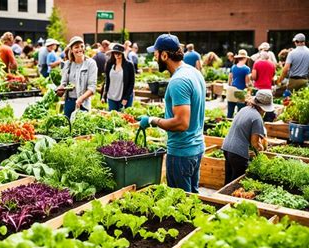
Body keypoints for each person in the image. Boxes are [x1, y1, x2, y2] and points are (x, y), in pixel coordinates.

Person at [139, 34, 206, 193]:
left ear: (164, 55)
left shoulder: (178, 81)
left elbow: (181, 123)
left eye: (155, 54)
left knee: (179, 205)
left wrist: (152, 120)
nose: (154, 58)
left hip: (182, 153)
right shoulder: (193, 72)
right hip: (196, 148)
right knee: (192, 201)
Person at [221, 90, 274, 184]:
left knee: (228, 181)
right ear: (263, 108)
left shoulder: (244, 109)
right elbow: (255, 142)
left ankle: (220, 198)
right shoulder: (257, 118)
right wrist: (262, 150)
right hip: (238, 152)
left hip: (227, 147)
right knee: (236, 184)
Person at [57, 36, 98, 118]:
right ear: (71, 50)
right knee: (68, 127)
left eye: (82, 46)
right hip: (69, 102)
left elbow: (92, 88)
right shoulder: (67, 64)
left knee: (81, 128)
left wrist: (81, 99)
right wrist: (60, 89)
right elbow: (64, 83)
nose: (80, 49)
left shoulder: (91, 63)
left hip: (83, 103)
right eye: (76, 47)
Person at [101, 43, 135, 111]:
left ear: (122, 54)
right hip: (111, 97)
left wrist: (126, 98)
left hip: (124, 97)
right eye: (115, 53)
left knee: (124, 118)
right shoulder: (109, 64)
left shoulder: (129, 65)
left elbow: (132, 83)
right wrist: (103, 96)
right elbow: (107, 80)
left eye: (119, 53)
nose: (117, 55)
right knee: (112, 117)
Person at [252, 51, 276, 122]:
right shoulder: (272, 64)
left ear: (260, 57)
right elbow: (273, 76)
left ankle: (256, 122)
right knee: (268, 108)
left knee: (257, 108)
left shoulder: (257, 63)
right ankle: (268, 123)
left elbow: (254, 77)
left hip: (258, 88)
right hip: (268, 88)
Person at [227, 49, 251, 118]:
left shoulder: (233, 67)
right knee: (240, 113)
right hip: (240, 92)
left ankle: (228, 126)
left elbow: (229, 81)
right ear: (245, 58)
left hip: (231, 91)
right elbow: (247, 84)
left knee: (230, 112)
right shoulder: (246, 69)